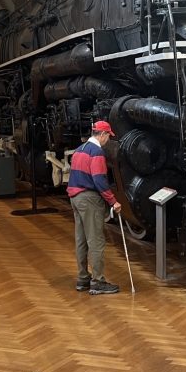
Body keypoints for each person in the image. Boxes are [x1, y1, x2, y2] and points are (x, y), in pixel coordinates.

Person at [67, 119, 122, 295]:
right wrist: (113, 201)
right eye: (108, 136)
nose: (108, 141)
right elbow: (99, 180)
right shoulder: (96, 152)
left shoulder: (79, 150)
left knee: (81, 240)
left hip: (75, 198)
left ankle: (83, 278)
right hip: (89, 199)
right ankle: (98, 281)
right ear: (103, 134)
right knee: (96, 241)